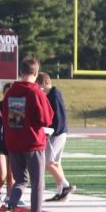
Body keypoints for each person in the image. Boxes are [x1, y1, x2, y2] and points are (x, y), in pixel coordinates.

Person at [0, 57, 55, 212]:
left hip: (14, 144)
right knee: (38, 183)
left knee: (20, 181)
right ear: (36, 73)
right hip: (33, 144)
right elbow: (46, 119)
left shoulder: (11, 92)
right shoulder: (35, 92)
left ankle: (9, 209)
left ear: (20, 72)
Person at [36, 73, 75, 202]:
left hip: (57, 133)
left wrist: (50, 132)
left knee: (48, 162)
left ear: (44, 83)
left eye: (38, 85)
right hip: (58, 132)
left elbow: (58, 117)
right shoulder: (52, 95)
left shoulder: (54, 95)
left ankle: (65, 185)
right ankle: (61, 192)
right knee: (56, 162)